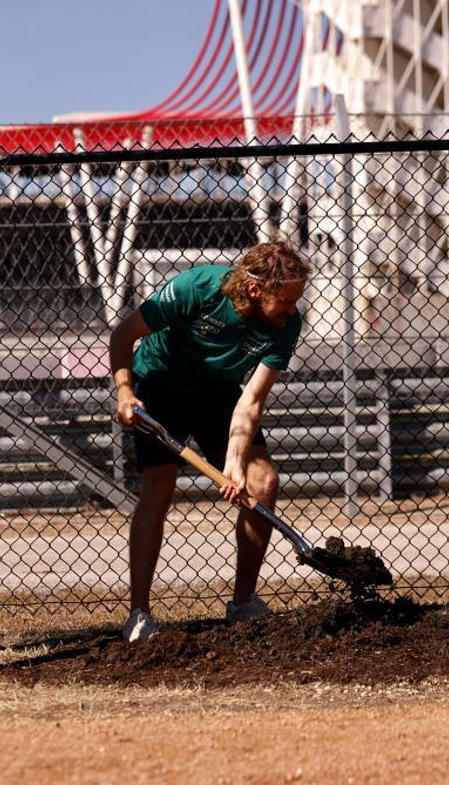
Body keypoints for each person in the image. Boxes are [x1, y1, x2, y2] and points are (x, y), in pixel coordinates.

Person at [109, 241, 310, 642]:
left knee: (262, 482)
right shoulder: (196, 289)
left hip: (219, 393)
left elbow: (251, 399)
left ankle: (242, 603)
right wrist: (125, 392)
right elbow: (123, 334)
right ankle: (139, 613)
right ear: (256, 290)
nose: (293, 311)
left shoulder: (286, 325)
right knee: (160, 483)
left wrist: (234, 463)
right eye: (286, 301)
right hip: (160, 384)